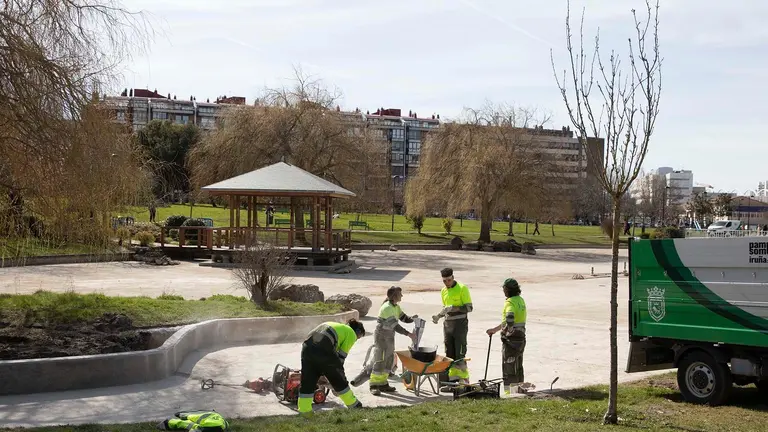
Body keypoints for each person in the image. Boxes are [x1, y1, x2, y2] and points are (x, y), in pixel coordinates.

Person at [297, 319, 366, 414]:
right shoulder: (350, 332)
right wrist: (335, 376)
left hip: (307, 347)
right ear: (358, 332)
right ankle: (354, 404)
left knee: (308, 381)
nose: (356, 339)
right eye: (358, 337)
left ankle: (304, 410)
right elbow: (341, 356)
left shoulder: (336, 326)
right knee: (339, 379)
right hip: (323, 347)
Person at [368, 286, 418, 395]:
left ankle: (383, 383)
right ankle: (374, 385)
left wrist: (413, 319)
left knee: (389, 358)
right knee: (380, 358)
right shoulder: (387, 308)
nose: (402, 296)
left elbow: (404, 318)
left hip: (389, 335)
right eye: (400, 294)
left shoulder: (395, 307)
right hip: (381, 335)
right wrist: (409, 334)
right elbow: (396, 326)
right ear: (395, 295)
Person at [432, 267, 473, 390]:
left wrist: (455, 308)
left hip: (460, 324)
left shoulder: (462, 288)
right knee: (449, 353)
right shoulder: (443, 291)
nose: (447, 283)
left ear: (453, 278)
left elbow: (469, 308)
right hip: (448, 325)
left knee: (459, 352)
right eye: (444, 281)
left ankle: (463, 382)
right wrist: (439, 316)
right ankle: (452, 382)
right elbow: (445, 309)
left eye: (448, 280)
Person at [486, 278, 527, 395]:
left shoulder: (510, 302)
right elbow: (507, 321)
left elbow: (509, 317)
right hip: (521, 338)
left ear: (507, 290)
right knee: (518, 365)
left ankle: (511, 394)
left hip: (511, 341)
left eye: (504, 289)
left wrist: (509, 330)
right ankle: (520, 391)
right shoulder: (520, 300)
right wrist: (494, 330)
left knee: (509, 367)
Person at [156, 410, 229, 431]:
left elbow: (192, 418)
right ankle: (166, 423)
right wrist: (182, 415)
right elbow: (193, 416)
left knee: (188, 424)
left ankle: (167, 423)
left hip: (211, 421)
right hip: (209, 419)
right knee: (189, 421)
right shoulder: (223, 425)